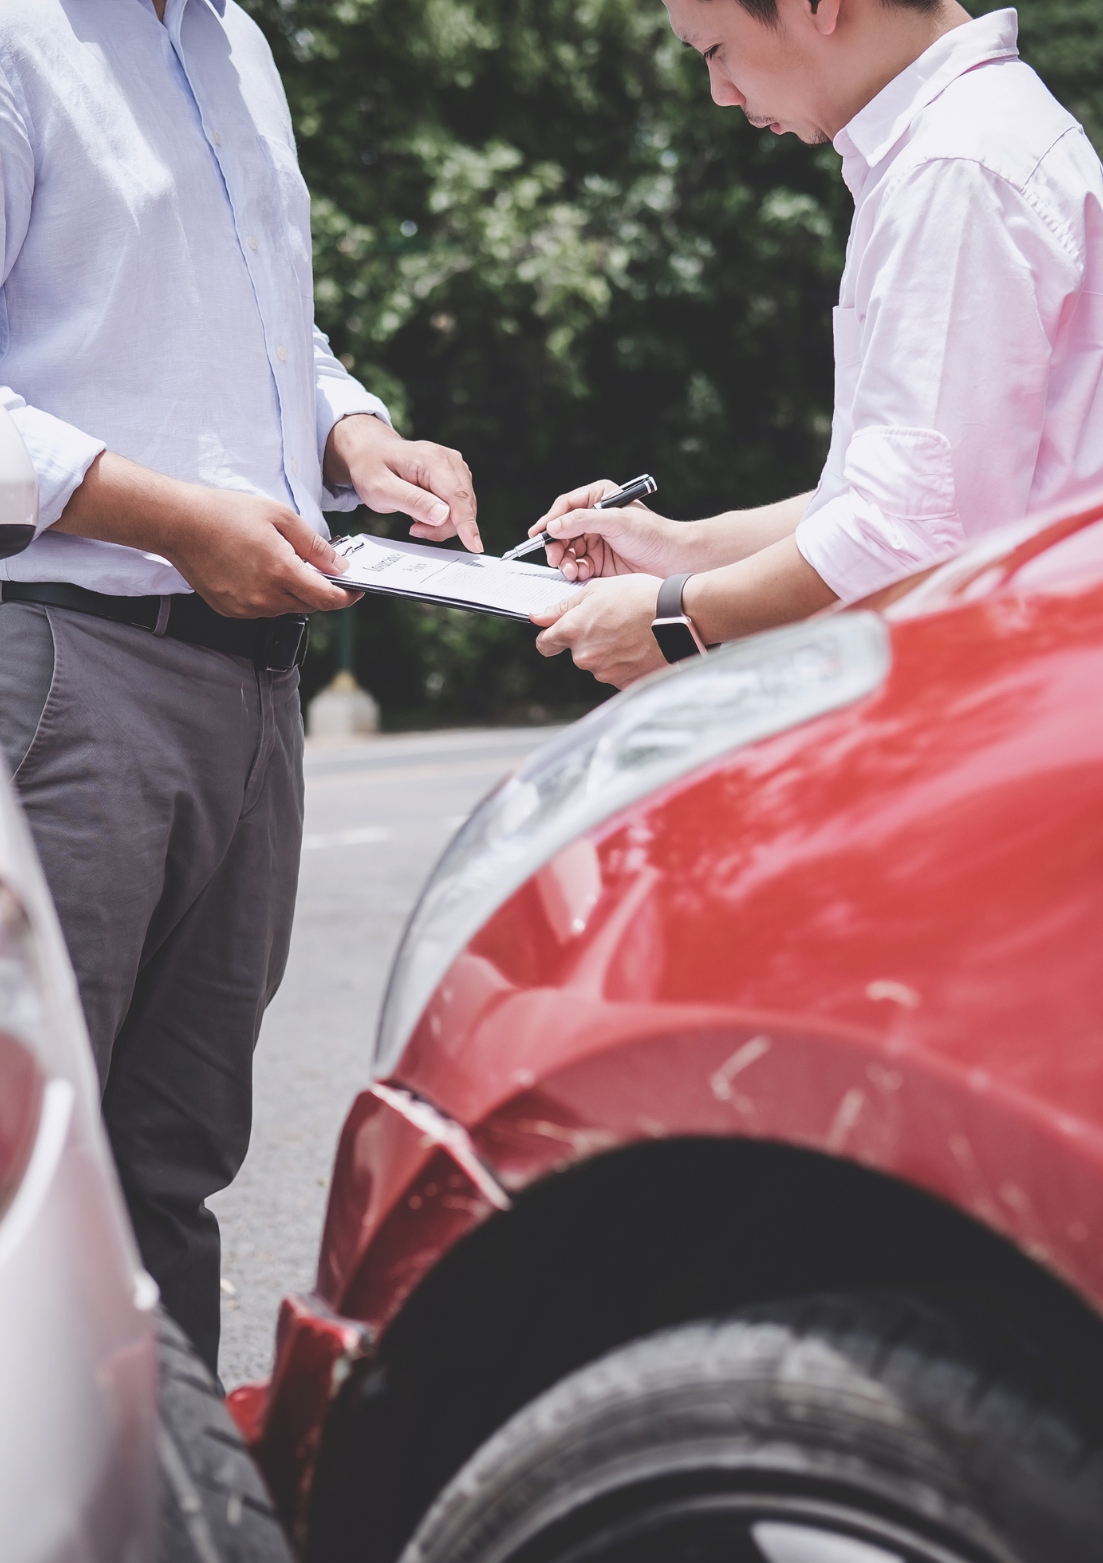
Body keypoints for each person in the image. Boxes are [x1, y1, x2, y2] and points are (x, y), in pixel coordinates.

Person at [0, 0, 482, 1375]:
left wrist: (357, 431)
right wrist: (170, 517)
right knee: (37, 1169)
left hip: (248, 688)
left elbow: (267, 333)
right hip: (65, 672)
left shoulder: (235, 46)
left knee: (170, 1169)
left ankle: (167, 1509)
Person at [528, 0, 1103, 689]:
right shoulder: (963, 142)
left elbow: (903, 534)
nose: (721, 93)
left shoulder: (952, 169)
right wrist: (684, 547)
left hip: (1017, 697)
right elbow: (913, 499)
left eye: (714, 50)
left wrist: (674, 616)